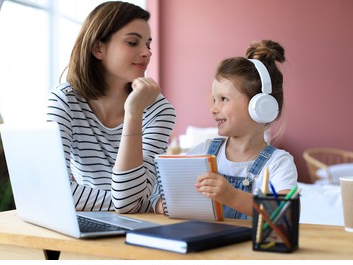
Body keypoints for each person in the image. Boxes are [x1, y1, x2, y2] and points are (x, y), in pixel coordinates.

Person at [46, 1, 176, 214]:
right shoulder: (64, 100)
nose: (147, 53)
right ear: (98, 48)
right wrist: (134, 202)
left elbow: (129, 203)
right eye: (133, 42)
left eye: (148, 44)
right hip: (87, 219)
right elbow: (54, 190)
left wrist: (134, 112)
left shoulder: (159, 111)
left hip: (142, 225)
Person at [152, 40, 297, 219]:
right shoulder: (205, 151)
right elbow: (161, 191)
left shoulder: (278, 163)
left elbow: (285, 214)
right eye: (214, 100)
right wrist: (163, 205)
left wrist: (233, 197)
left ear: (260, 106)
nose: (213, 108)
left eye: (223, 99)